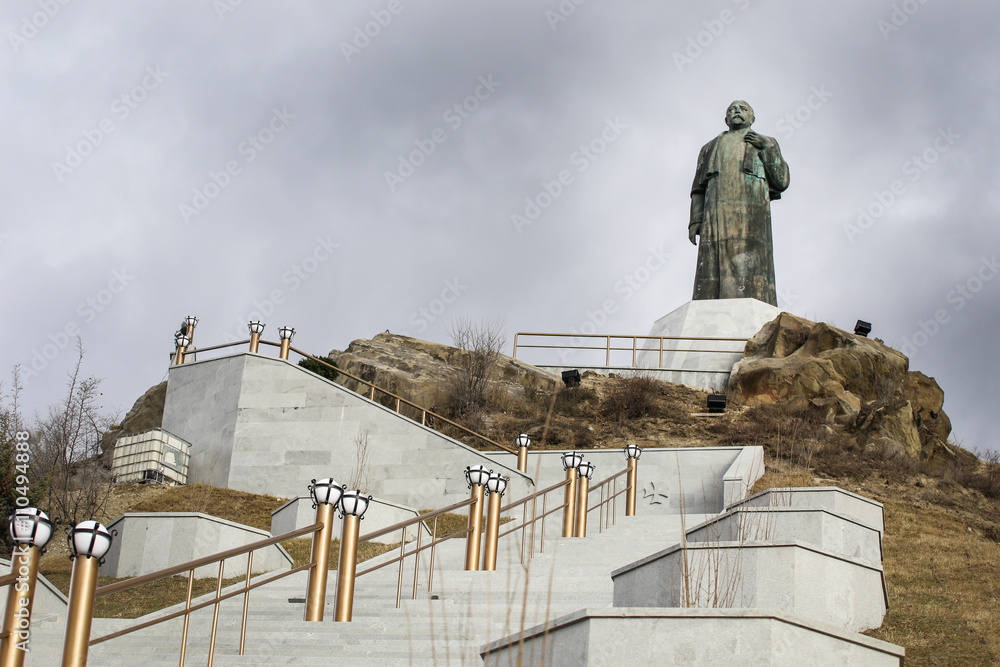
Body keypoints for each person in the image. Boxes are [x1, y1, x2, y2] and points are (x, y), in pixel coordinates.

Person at [688, 100, 789, 306]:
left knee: (752, 265)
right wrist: (695, 221)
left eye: (743, 109)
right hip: (716, 214)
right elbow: (699, 189)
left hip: (752, 215)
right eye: (732, 109)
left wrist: (767, 149)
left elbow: (782, 181)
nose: (737, 112)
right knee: (712, 268)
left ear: (752, 118)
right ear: (725, 119)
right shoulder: (709, 148)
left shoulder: (766, 141)